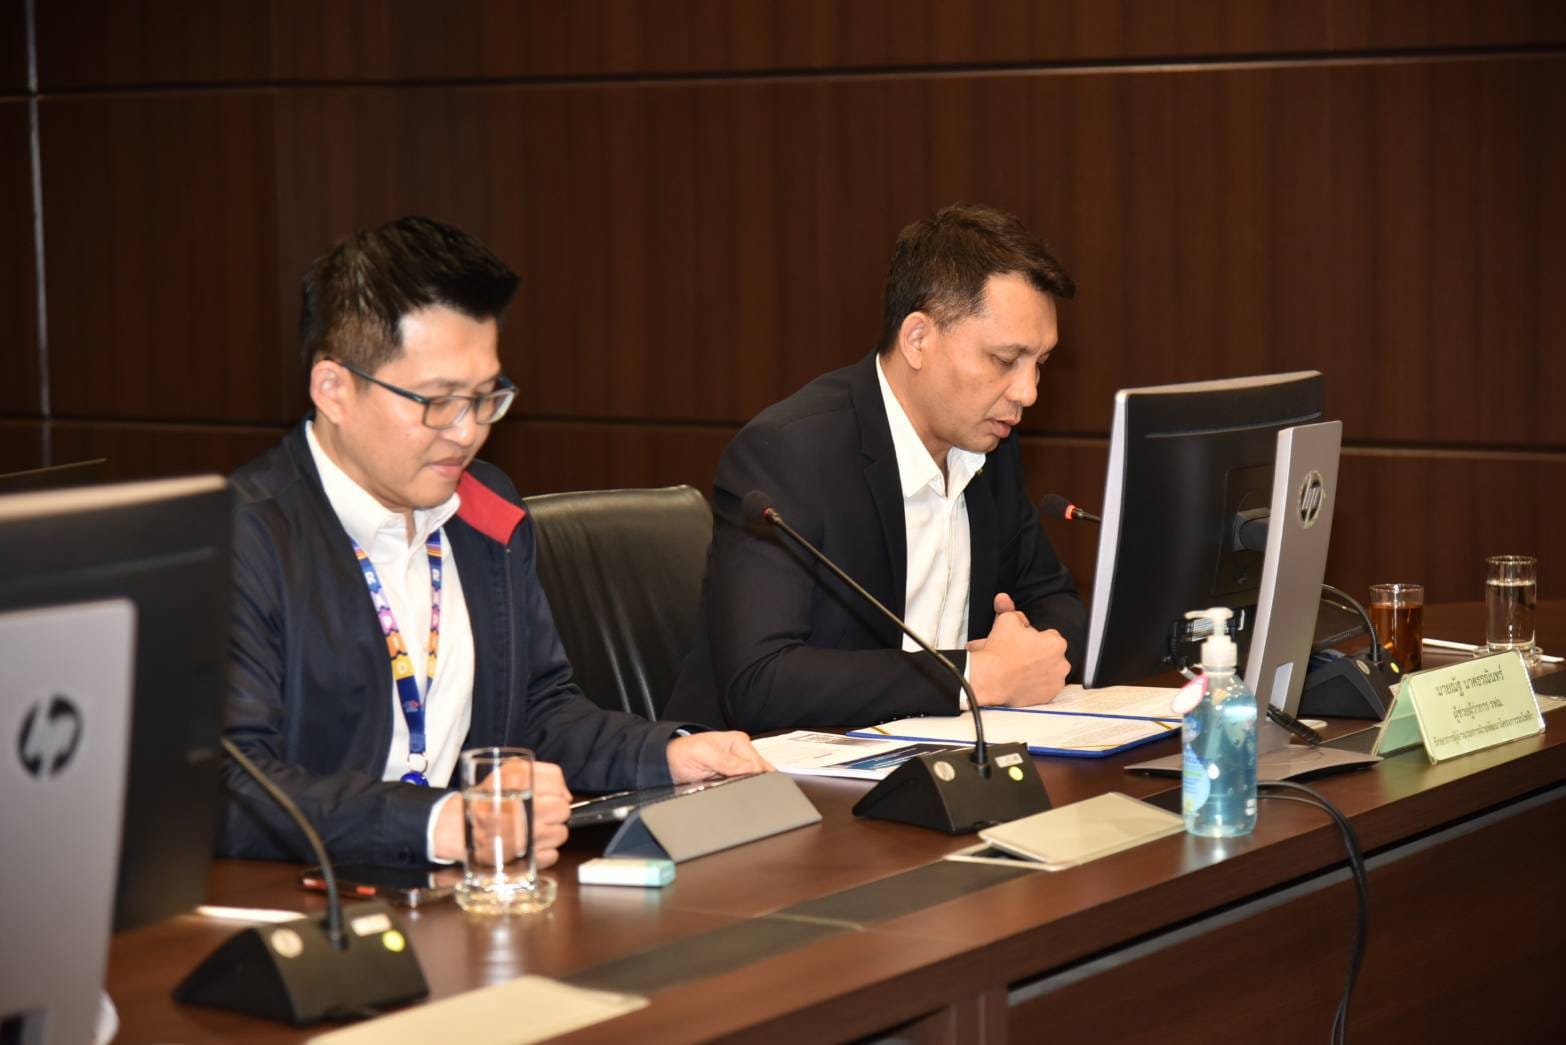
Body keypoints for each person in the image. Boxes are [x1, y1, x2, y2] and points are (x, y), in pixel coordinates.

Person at [220, 216, 768, 869]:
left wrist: (667, 754)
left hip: (464, 889)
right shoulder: (239, 541)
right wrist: (438, 822)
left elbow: (535, 712)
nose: (467, 431)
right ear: (333, 389)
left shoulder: (485, 506)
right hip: (310, 902)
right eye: (438, 401)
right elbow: (229, 789)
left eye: (486, 398)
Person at [666, 203, 1088, 732]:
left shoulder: (989, 446)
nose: (1027, 392)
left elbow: (1054, 600)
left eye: (1039, 364)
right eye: (1005, 360)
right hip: (768, 768)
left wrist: (1033, 653)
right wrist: (973, 676)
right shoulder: (790, 454)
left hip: (940, 756)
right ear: (918, 340)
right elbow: (760, 682)